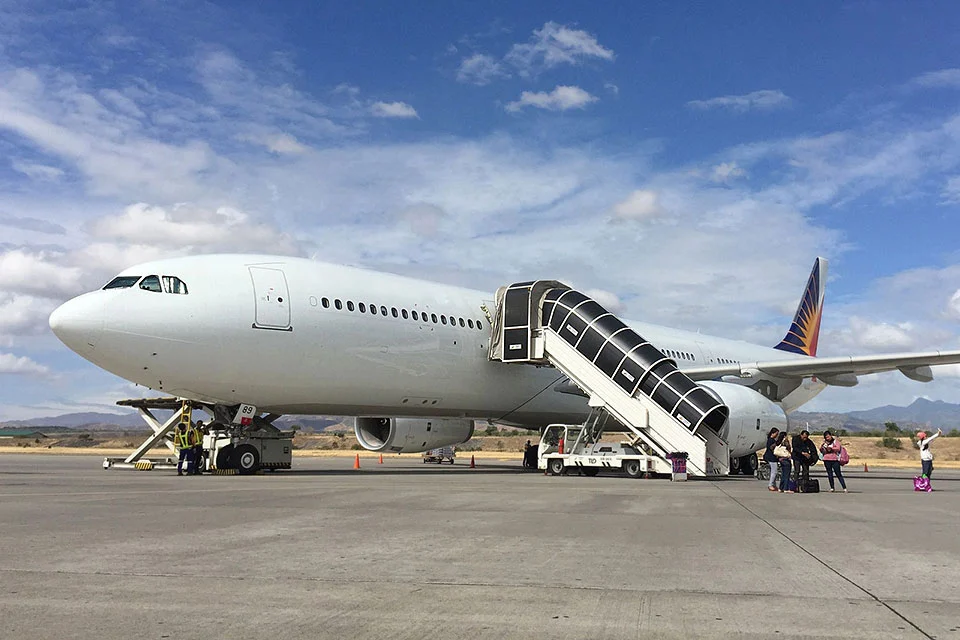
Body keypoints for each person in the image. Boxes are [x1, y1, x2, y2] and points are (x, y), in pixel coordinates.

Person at [762, 427, 781, 492]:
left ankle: (774, 485)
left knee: (774, 472)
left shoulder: (770, 440)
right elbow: (772, 448)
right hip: (771, 458)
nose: (777, 435)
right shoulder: (771, 440)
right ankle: (770, 485)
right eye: (776, 433)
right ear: (773, 433)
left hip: (771, 457)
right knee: (774, 472)